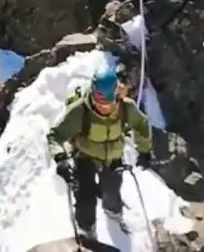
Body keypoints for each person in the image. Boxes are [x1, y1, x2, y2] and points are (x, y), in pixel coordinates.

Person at [47, 67, 153, 239]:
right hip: (84, 156)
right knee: (85, 200)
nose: (103, 107)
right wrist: (60, 159)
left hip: (112, 157)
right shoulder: (79, 110)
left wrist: (145, 151)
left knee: (112, 191)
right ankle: (87, 230)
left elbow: (141, 125)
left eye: (108, 103)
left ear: (116, 95)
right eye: (98, 103)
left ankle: (114, 213)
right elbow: (55, 136)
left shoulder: (126, 108)